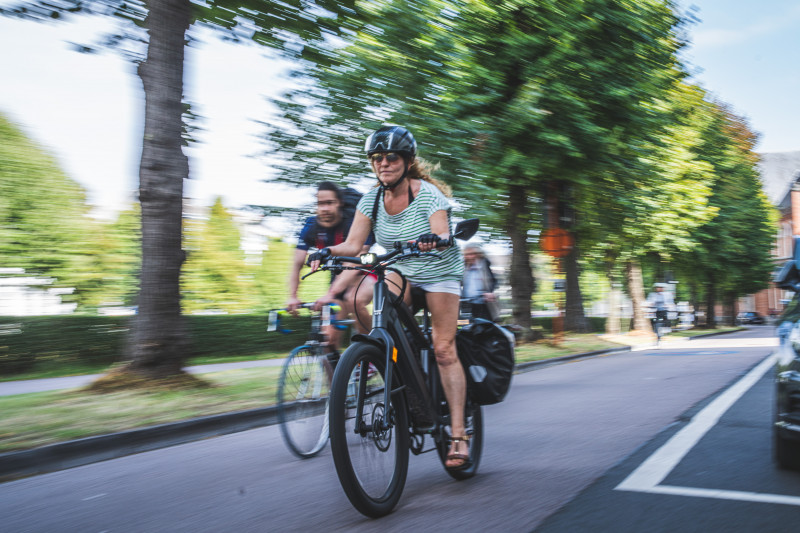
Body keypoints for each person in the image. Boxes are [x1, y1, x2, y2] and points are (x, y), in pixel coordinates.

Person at [307, 125, 470, 471]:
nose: (383, 163)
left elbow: (441, 231)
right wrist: (324, 251)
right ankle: (388, 357)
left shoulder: (426, 194)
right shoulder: (372, 199)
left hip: (440, 272)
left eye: (391, 157)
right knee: (357, 299)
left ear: (407, 161)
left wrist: (432, 239)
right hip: (404, 269)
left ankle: (458, 434)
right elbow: (353, 246)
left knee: (443, 349)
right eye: (376, 158)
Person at [287, 181, 375, 352]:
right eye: (320, 203)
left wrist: (331, 293)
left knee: (354, 299)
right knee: (327, 342)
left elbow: (356, 260)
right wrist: (292, 295)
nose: (324, 208)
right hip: (337, 281)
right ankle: (337, 378)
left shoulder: (353, 223)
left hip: (363, 274)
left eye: (330, 203)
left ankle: (371, 352)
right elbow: (296, 264)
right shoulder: (311, 226)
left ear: (340, 203)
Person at [461, 243, 500, 322]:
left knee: (485, 324)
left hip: (483, 302)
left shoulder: (484, 265)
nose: (470, 257)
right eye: (467, 254)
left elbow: (493, 280)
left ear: (478, 254)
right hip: (467, 303)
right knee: (465, 324)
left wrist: (490, 292)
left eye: (473, 254)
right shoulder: (463, 267)